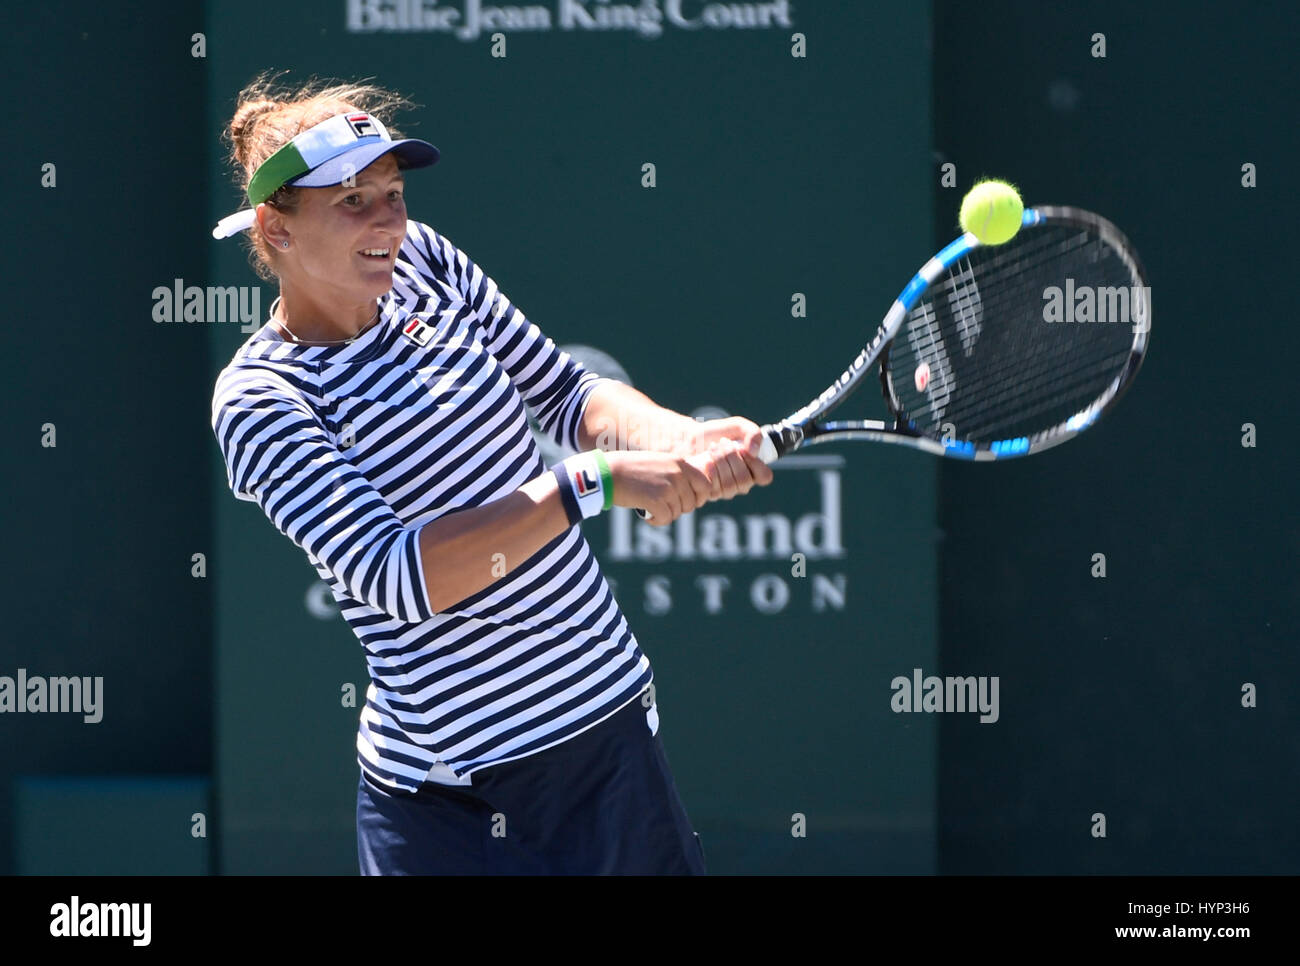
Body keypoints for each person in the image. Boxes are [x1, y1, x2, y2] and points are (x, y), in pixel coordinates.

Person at [210, 75, 773, 875]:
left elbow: (567, 392)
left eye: (394, 194)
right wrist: (595, 482)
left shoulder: (428, 263)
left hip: (595, 744)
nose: (389, 222)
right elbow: (400, 575)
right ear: (278, 229)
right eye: (353, 201)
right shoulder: (261, 399)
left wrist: (682, 438)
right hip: (434, 802)